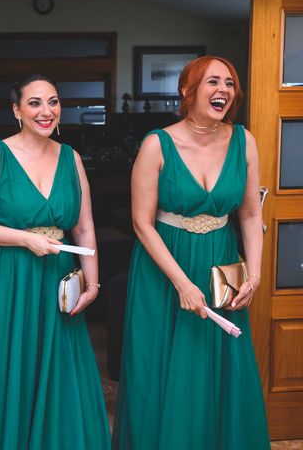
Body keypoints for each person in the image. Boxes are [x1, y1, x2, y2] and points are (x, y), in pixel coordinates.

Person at [113, 56, 270, 449]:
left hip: (220, 260)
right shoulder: (157, 144)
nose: (224, 90)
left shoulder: (244, 141)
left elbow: (251, 214)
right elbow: (141, 223)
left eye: (230, 83)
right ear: (187, 90)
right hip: (164, 269)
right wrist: (181, 283)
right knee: (161, 370)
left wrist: (254, 274)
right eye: (212, 81)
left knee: (218, 366)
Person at [0, 74, 111, 449]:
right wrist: (25, 239)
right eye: (35, 103)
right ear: (17, 110)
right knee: (6, 373)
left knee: (61, 373)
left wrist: (92, 284)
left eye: (54, 101)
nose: (46, 111)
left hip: (55, 282)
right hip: (2, 279)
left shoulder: (71, 158)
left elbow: (85, 227)